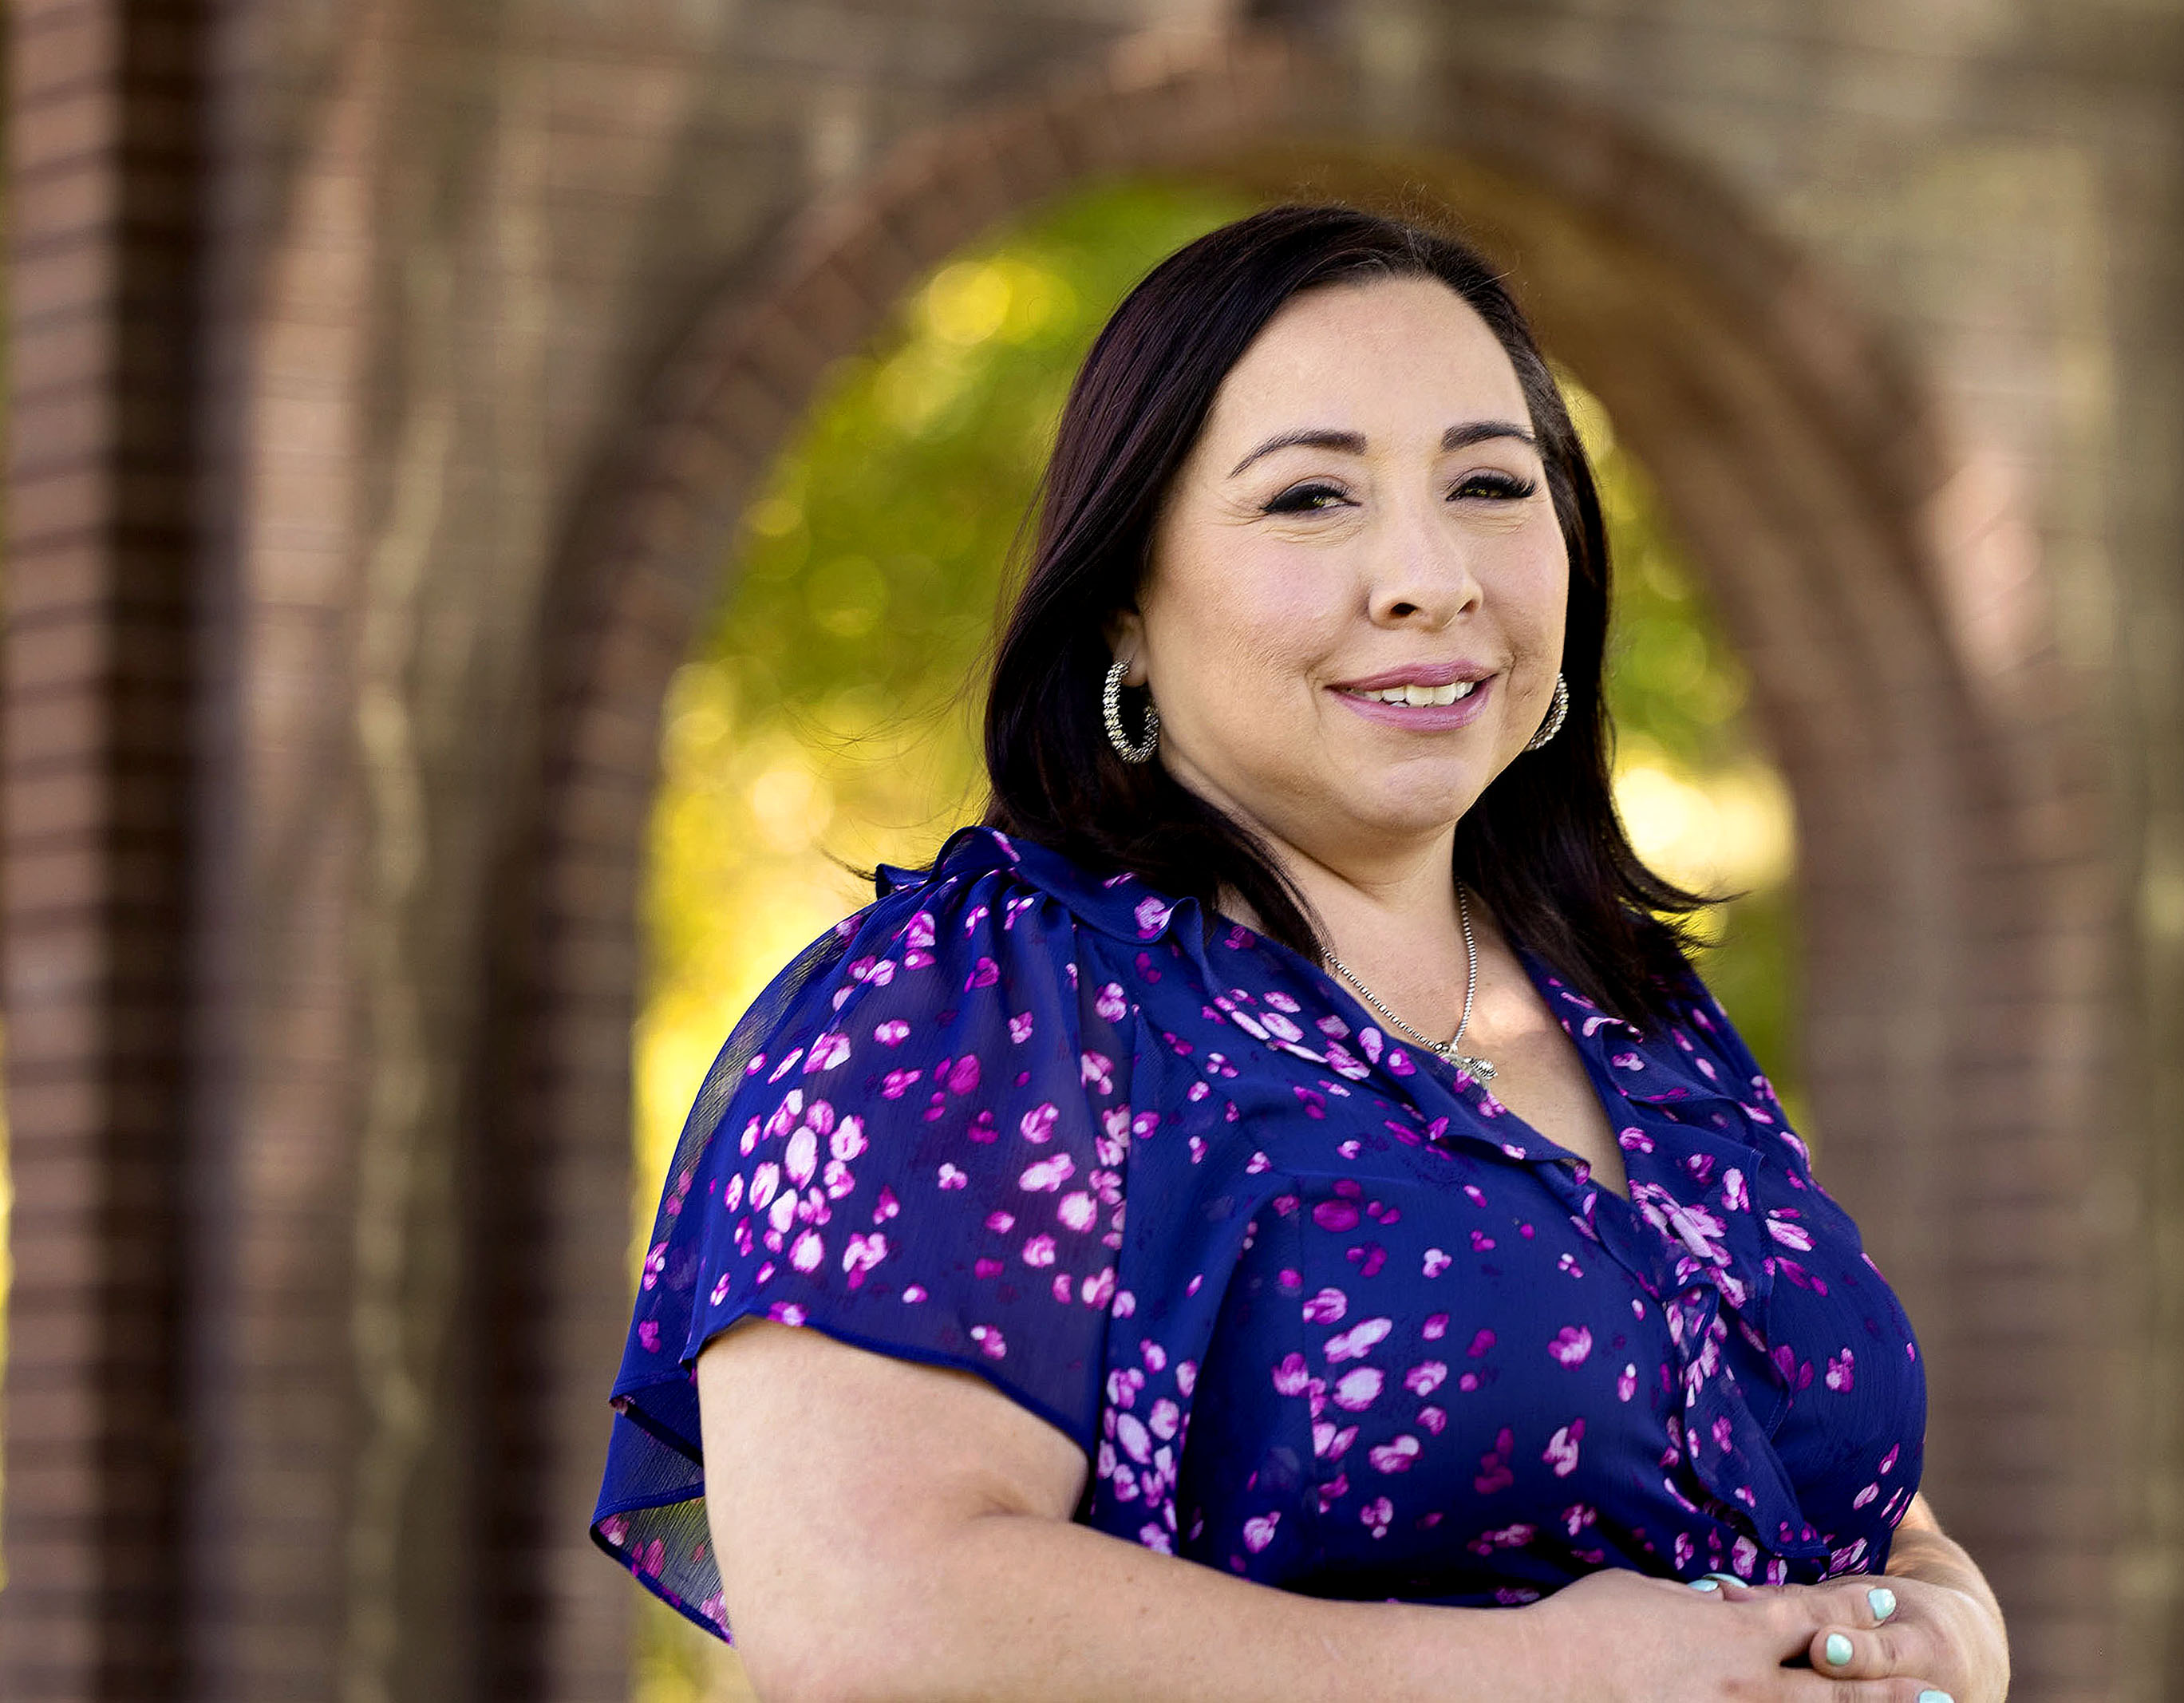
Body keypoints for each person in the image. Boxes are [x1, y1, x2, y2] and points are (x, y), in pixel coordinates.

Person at [592, 203, 2010, 1702]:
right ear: (1126, 607)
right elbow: (870, 1615)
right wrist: (1529, 1682)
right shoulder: (982, 1009)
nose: (1428, 576)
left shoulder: (1649, 1025)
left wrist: (1949, 1617)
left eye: (1487, 485)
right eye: (1310, 500)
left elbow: (1820, 1486)